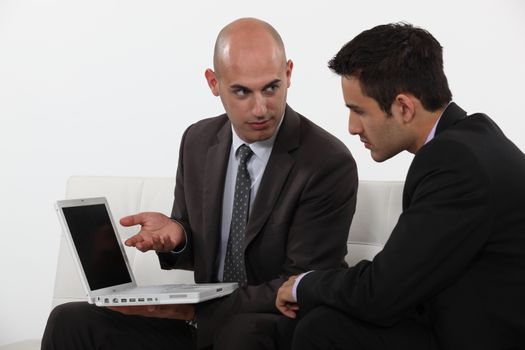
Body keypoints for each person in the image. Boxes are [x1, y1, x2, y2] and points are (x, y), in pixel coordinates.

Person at [42, 17, 358, 350]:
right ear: (213, 82)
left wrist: (192, 309)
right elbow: (202, 243)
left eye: (271, 87)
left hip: (268, 326)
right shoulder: (197, 140)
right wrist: (177, 237)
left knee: (241, 336)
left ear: (289, 74)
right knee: (70, 321)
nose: (261, 107)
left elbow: (302, 285)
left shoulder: (326, 163)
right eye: (241, 92)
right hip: (199, 325)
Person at [276, 22, 525, 349]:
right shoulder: (475, 138)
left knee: (321, 328)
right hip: (457, 319)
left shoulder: (454, 162)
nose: (352, 128)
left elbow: (380, 292)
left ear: (404, 107)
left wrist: (301, 285)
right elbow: (401, 275)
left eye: (358, 111)